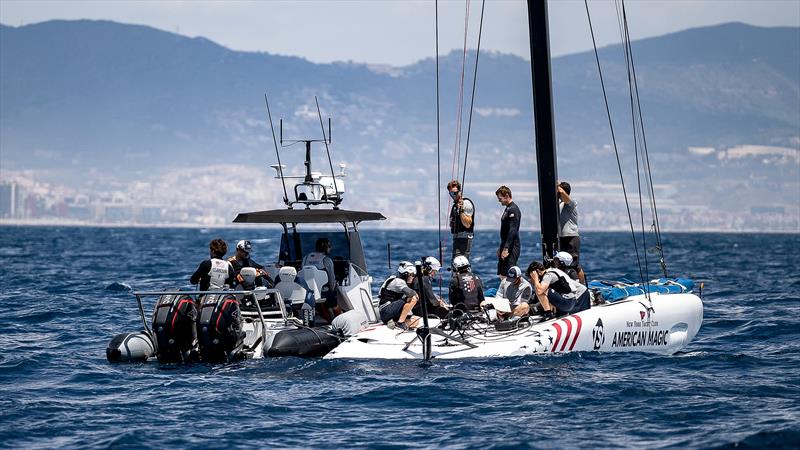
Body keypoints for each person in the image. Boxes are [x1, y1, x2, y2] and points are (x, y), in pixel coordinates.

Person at [302, 237, 339, 322]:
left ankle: (330, 322)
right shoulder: (327, 260)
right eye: (329, 246)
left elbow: (302, 273)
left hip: (308, 291)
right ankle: (340, 321)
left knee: (322, 307)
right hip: (323, 291)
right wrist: (332, 290)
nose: (330, 248)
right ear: (326, 248)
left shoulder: (306, 258)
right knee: (335, 306)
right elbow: (331, 279)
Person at [557, 181, 586, 284]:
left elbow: (566, 198)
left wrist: (558, 187)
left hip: (571, 237)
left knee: (575, 265)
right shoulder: (559, 204)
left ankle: (582, 286)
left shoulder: (572, 202)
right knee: (563, 263)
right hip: (562, 237)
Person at [377, 261, 420, 329]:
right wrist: (416, 293)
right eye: (412, 275)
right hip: (386, 311)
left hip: (391, 311)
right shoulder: (398, 281)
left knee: (416, 321)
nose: (413, 277)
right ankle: (400, 323)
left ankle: (394, 322)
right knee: (413, 298)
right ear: (405, 274)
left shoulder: (398, 280)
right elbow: (411, 293)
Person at [496, 185, 521, 279]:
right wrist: (501, 247)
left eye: (500, 198)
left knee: (509, 272)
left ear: (507, 195)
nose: (499, 201)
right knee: (502, 272)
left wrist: (506, 248)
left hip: (512, 246)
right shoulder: (508, 209)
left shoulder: (513, 209)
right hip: (505, 244)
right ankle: (504, 293)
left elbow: (512, 230)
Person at [447, 180, 475, 260]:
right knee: (455, 265)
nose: (453, 195)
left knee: (460, 264)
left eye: (455, 193)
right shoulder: (455, 205)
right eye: (451, 193)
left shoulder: (466, 203)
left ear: (460, 191)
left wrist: (461, 211)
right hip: (456, 238)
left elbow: (467, 224)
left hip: (464, 238)